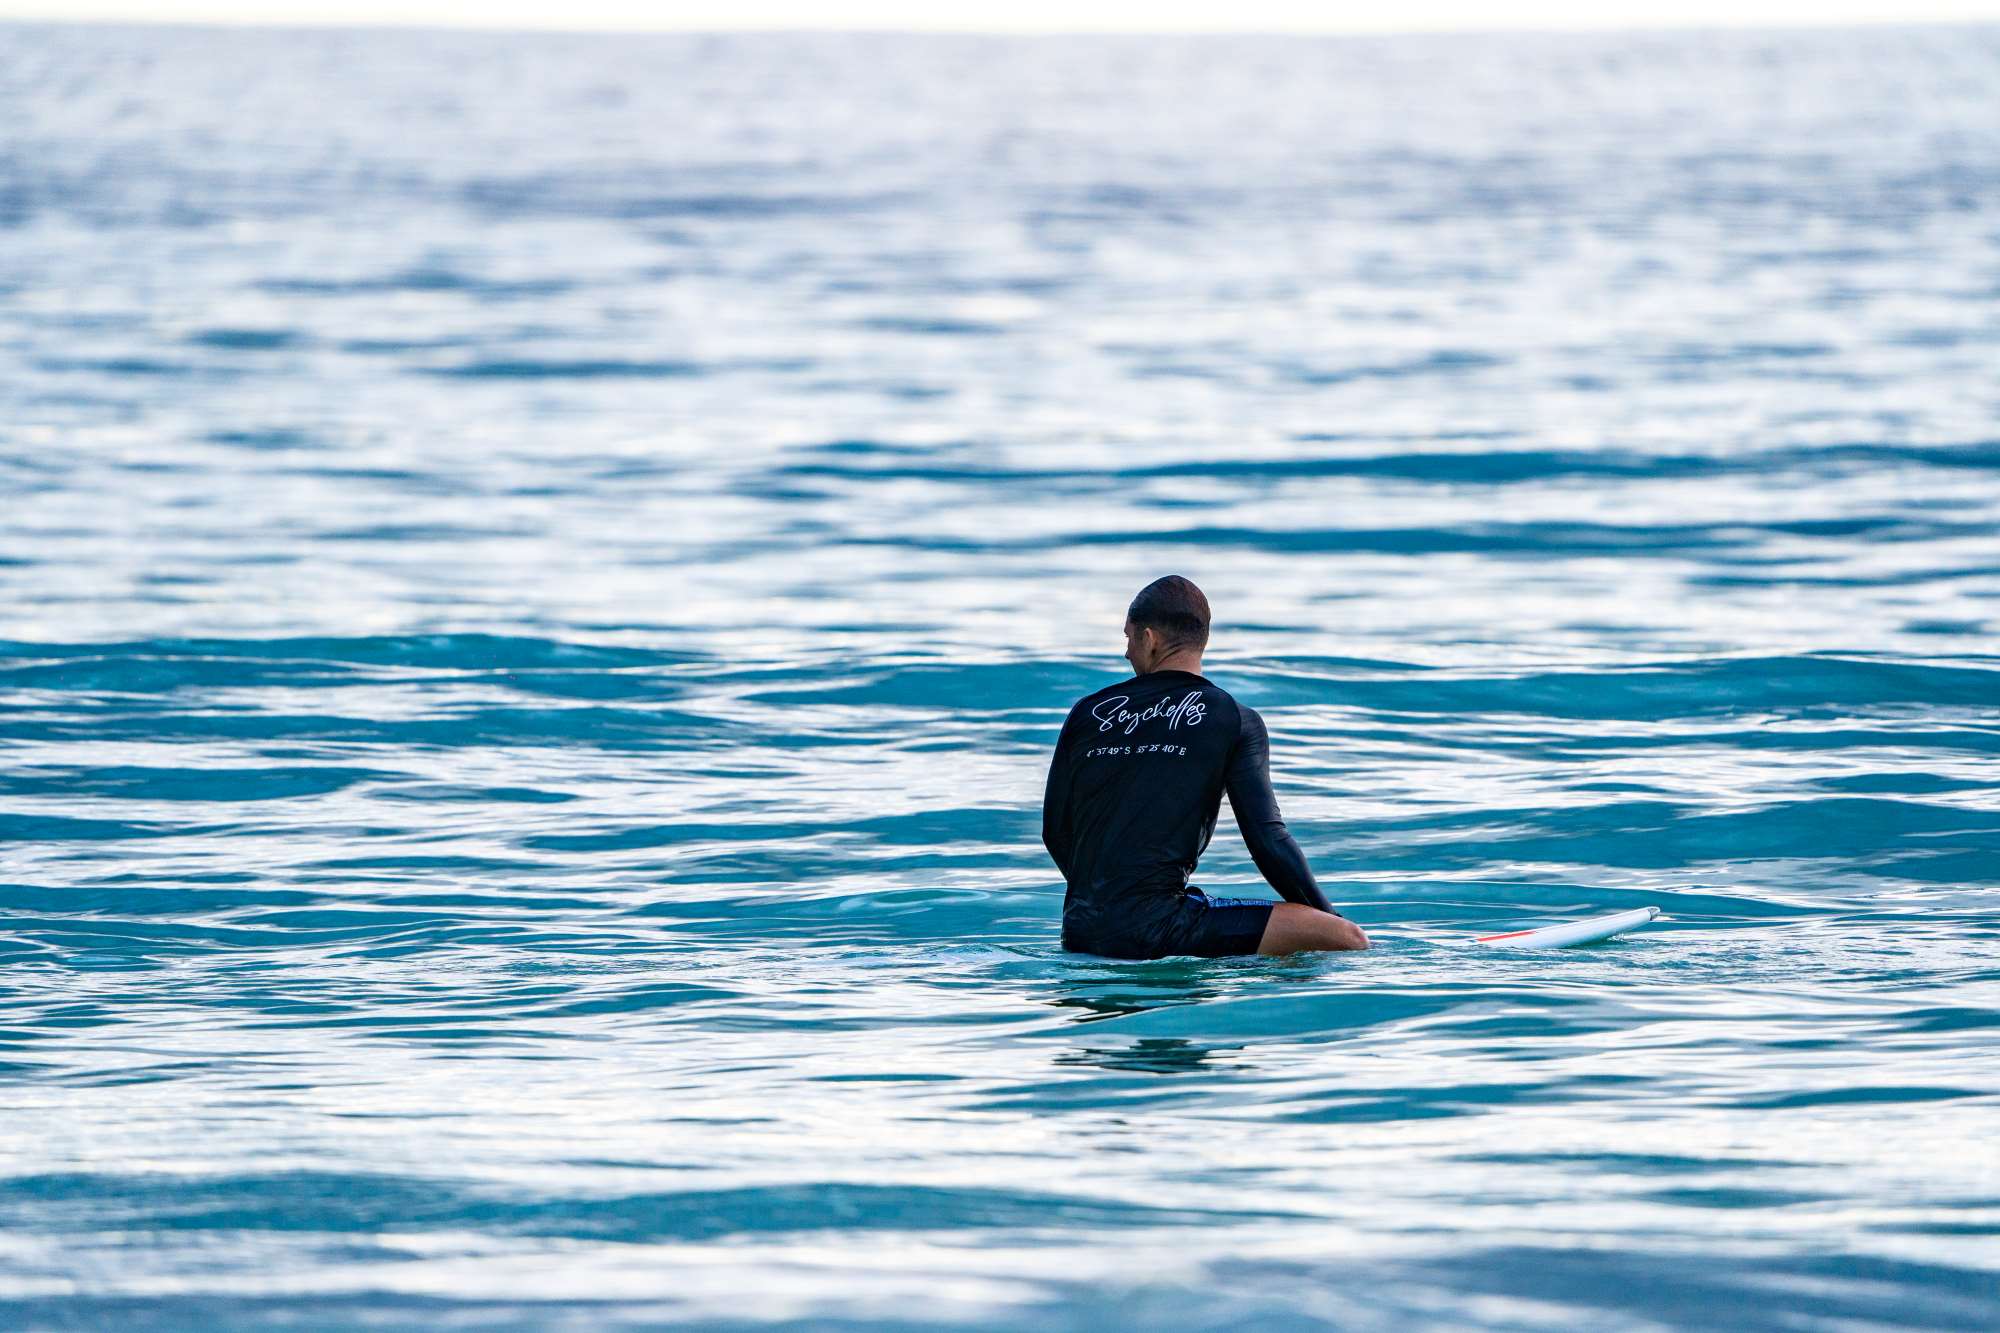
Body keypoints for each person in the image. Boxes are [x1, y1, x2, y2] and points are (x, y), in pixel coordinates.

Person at [1042, 576, 1369, 959]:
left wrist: (1105, 898)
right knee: (1349, 940)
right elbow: (1267, 840)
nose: (1127, 652)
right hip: (1163, 928)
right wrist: (1329, 917)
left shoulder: (1087, 712)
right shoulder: (1232, 717)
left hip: (1081, 930)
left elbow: (1055, 831)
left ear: (1150, 639)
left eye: (1128, 639)